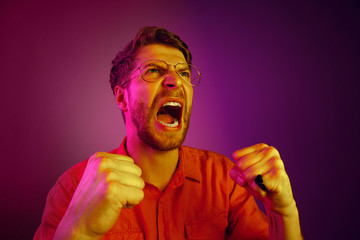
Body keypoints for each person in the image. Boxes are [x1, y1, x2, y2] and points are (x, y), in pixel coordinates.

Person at [34, 26, 302, 240]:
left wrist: (283, 211)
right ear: (122, 98)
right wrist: (80, 232)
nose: (175, 80)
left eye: (183, 72)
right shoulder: (74, 188)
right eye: (154, 71)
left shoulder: (225, 180)